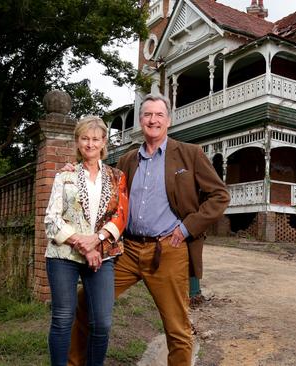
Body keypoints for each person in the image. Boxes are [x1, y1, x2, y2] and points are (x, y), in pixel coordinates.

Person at [68, 93, 230, 365]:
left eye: (158, 115)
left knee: (177, 328)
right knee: (85, 302)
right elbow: (103, 190)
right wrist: (72, 171)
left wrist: (186, 228)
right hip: (126, 251)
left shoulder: (190, 154)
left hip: (168, 250)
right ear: (140, 121)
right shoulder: (128, 160)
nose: (152, 120)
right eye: (147, 115)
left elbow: (219, 196)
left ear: (168, 120)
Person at [44, 115, 128, 366]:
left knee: (101, 321)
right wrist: (83, 243)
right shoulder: (64, 176)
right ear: (78, 142)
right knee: (63, 317)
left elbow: (121, 215)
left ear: (104, 142)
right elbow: (52, 219)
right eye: (85, 138)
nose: (90, 144)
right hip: (64, 255)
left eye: (95, 139)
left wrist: (98, 241)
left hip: (103, 254)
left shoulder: (117, 176)